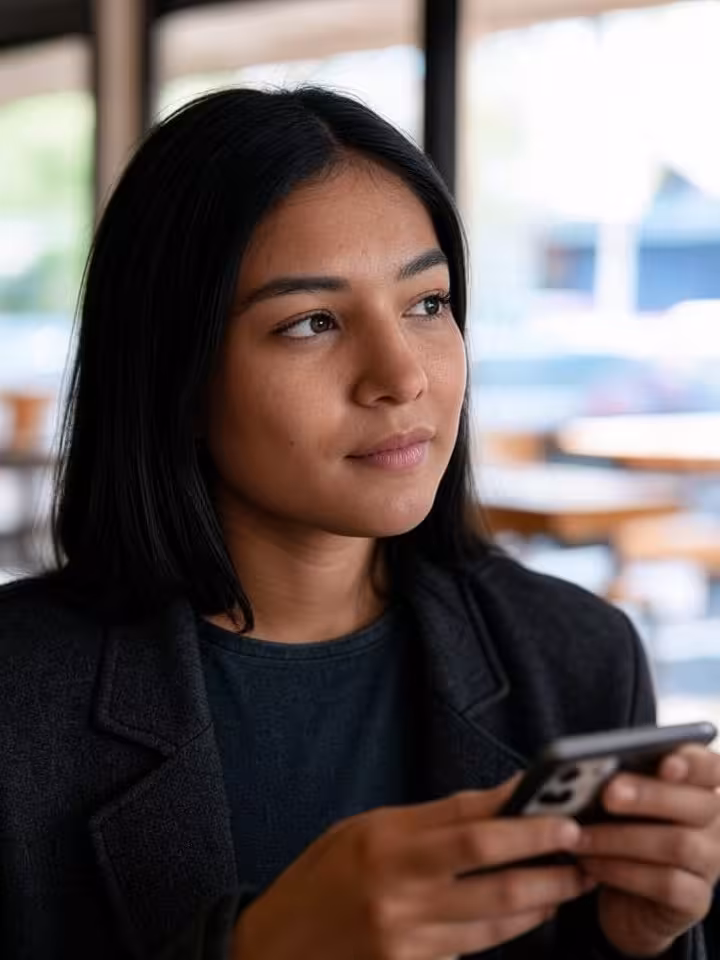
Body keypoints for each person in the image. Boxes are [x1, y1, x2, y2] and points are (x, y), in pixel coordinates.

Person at [0, 87, 717, 960]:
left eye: (427, 304)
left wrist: (640, 941)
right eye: (312, 322)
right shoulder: (18, 696)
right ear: (173, 376)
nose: (401, 376)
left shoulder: (574, 655)